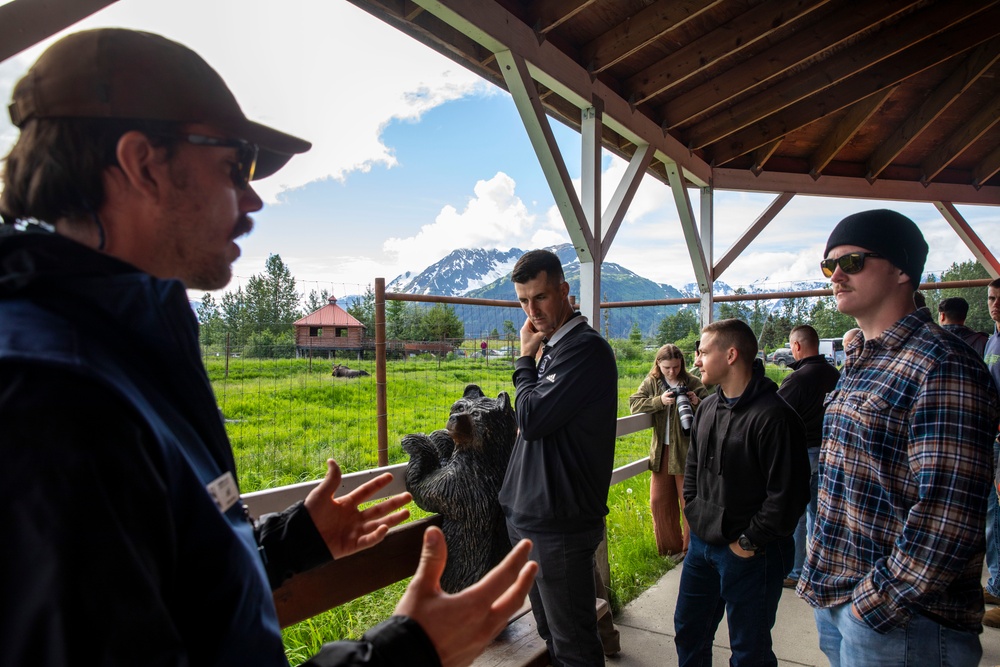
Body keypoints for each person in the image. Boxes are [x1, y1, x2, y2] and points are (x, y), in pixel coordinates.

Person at [0, 28, 537, 667]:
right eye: (235, 167)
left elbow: (156, 576)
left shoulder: (118, 349)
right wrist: (405, 654)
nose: (254, 199)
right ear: (143, 163)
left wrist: (288, 543)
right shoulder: (50, 399)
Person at [798, 209, 999, 666]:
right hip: (841, 598)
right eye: (828, 266)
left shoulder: (942, 364)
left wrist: (872, 605)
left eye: (851, 262)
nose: (836, 275)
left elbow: (947, 516)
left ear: (903, 269)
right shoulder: (859, 360)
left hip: (905, 622)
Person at [500, 249, 619, 666]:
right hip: (529, 516)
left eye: (541, 297)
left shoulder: (584, 350)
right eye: (522, 301)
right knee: (550, 632)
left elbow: (530, 419)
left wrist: (522, 361)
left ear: (565, 291)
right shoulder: (552, 348)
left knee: (573, 643)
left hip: (560, 525)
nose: (532, 311)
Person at [673, 318, 809, 667]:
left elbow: (788, 496)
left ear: (731, 354)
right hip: (703, 546)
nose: (697, 361)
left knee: (749, 651)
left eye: (702, 352)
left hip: (752, 553)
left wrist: (748, 543)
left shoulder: (775, 417)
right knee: (689, 630)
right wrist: (693, 509)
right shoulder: (706, 408)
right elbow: (693, 467)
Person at [628, 344, 709, 559]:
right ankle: (669, 552)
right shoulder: (653, 382)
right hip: (662, 451)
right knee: (659, 502)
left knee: (688, 502)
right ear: (658, 364)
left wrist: (696, 401)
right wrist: (659, 401)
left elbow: (712, 408)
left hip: (686, 451)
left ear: (681, 363)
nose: (672, 371)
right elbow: (633, 404)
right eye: (667, 368)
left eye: (675, 367)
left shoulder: (692, 381)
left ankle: (691, 550)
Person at [777, 325, 841, 589]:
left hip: (803, 452)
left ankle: (796, 570)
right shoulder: (835, 374)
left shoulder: (797, 379)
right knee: (820, 511)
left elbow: (776, 415)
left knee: (798, 514)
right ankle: (821, 565)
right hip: (829, 451)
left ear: (797, 346)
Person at [982, 279, 1000, 627]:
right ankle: (997, 583)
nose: (995, 304)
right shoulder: (991, 339)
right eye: (991, 297)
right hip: (992, 439)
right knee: (993, 515)